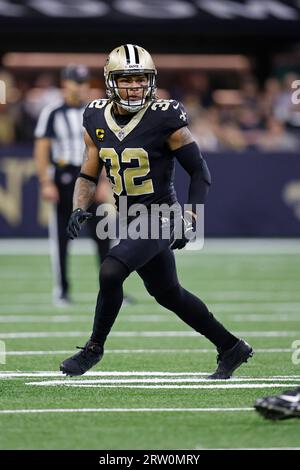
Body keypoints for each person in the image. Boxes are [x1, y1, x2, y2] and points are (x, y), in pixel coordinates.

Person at [60, 44, 253, 378]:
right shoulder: (94, 116)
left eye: (141, 79)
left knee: (110, 270)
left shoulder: (165, 115)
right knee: (168, 294)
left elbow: (200, 172)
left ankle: (93, 348)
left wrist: (191, 218)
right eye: (127, 80)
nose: (136, 87)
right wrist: (79, 206)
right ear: (110, 81)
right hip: (130, 218)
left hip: (163, 216)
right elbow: (89, 171)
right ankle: (231, 346)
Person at [34, 64, 111, 306]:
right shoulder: (53, 111)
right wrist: (46, 181)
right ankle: (62, 290)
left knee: (103, 237)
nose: (80, 87)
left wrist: (105, 180)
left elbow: (105, 148)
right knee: (62, 238)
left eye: (83, 82)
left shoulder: (95, 111)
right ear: (65, 83)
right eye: (76, 82)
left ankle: (110, 290)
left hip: (92, 176)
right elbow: (42, 148)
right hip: (65, 176)